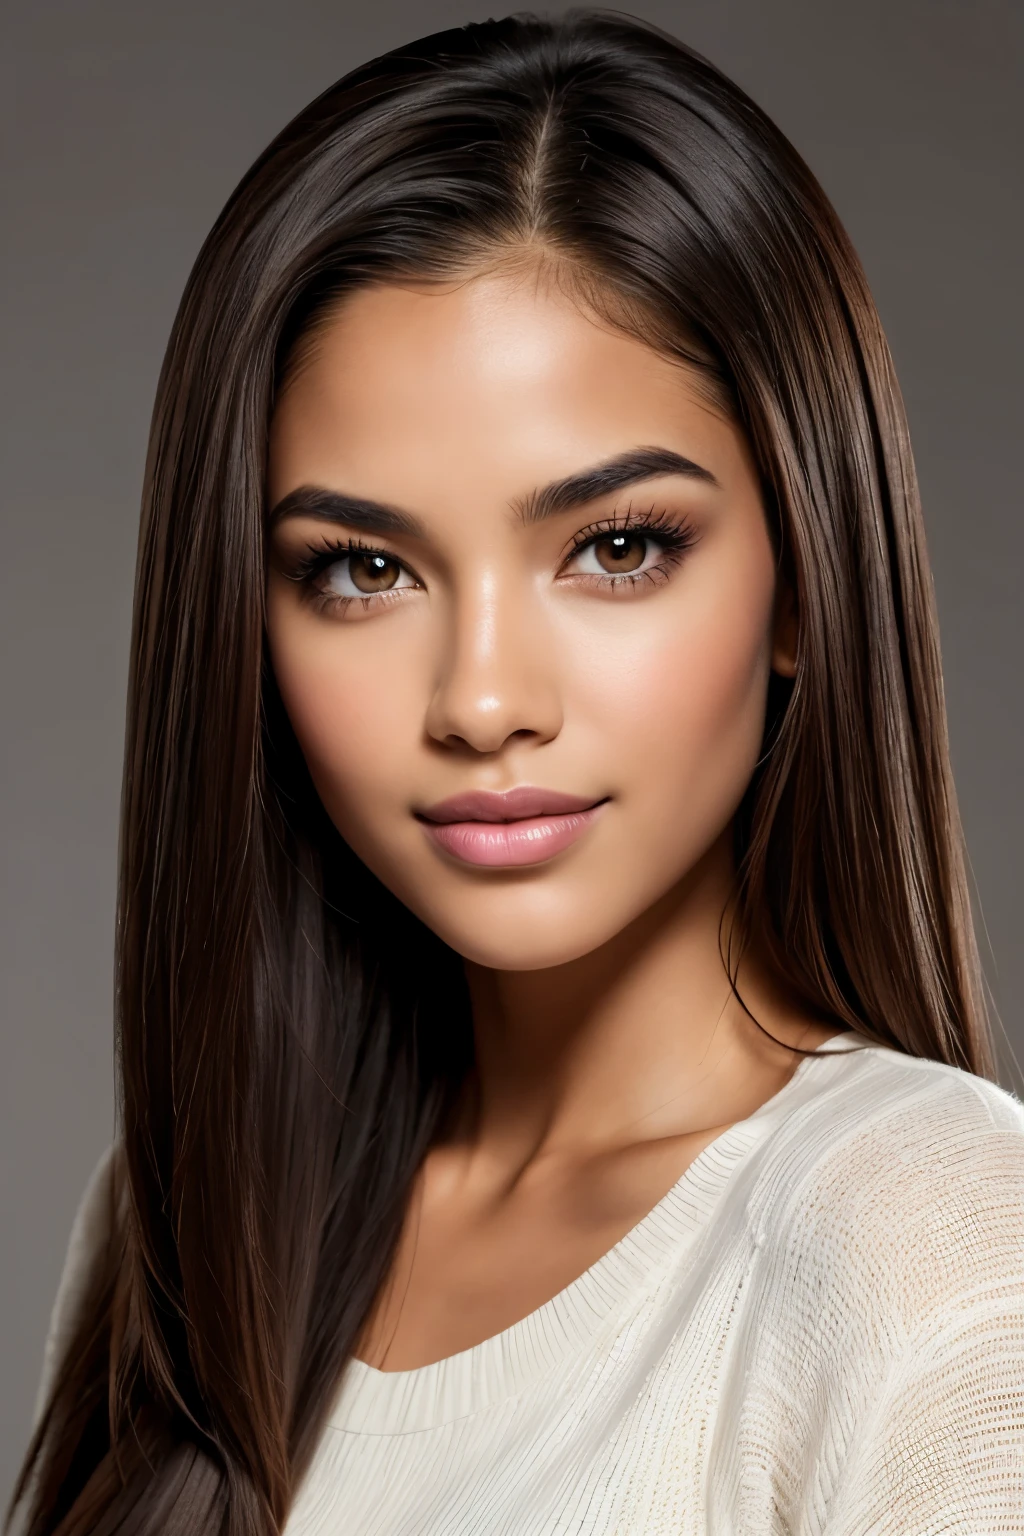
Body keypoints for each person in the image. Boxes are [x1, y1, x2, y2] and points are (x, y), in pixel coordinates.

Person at [11, 11, 1024, 1535]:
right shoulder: (183, 1222)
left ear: (808, 582)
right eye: (362, 567)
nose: (483, 700)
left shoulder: (935, 1252)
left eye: (617, 550)